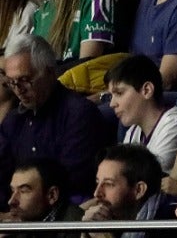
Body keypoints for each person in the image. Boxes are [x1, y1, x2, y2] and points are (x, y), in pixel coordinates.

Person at [0, 35, 108, 196]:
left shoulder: (79, 114)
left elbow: (72, 182)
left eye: (25, 80)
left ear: (50, 72)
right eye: (11, 82)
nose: (18, 89)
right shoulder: (13, 121)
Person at [106, 54, 177, 172]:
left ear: (146, 90)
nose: (112, 104)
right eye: (111, 96)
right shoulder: (133, 131)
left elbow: (146, 177)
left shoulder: (175, 125)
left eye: (119, 93)